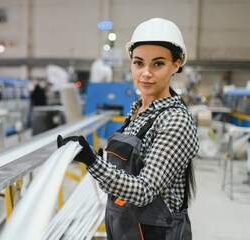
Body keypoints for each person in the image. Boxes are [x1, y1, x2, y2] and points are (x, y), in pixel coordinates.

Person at [57, 18, 199, 240]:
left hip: (156, 233)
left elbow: (144, 191)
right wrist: (91, 155)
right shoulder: (136, 112)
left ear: (176, 65)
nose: (145, 73)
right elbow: (120, 180)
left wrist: (92, 162)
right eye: (139, 63)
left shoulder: (175, 120)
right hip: (124, 227)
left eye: (158, 64)